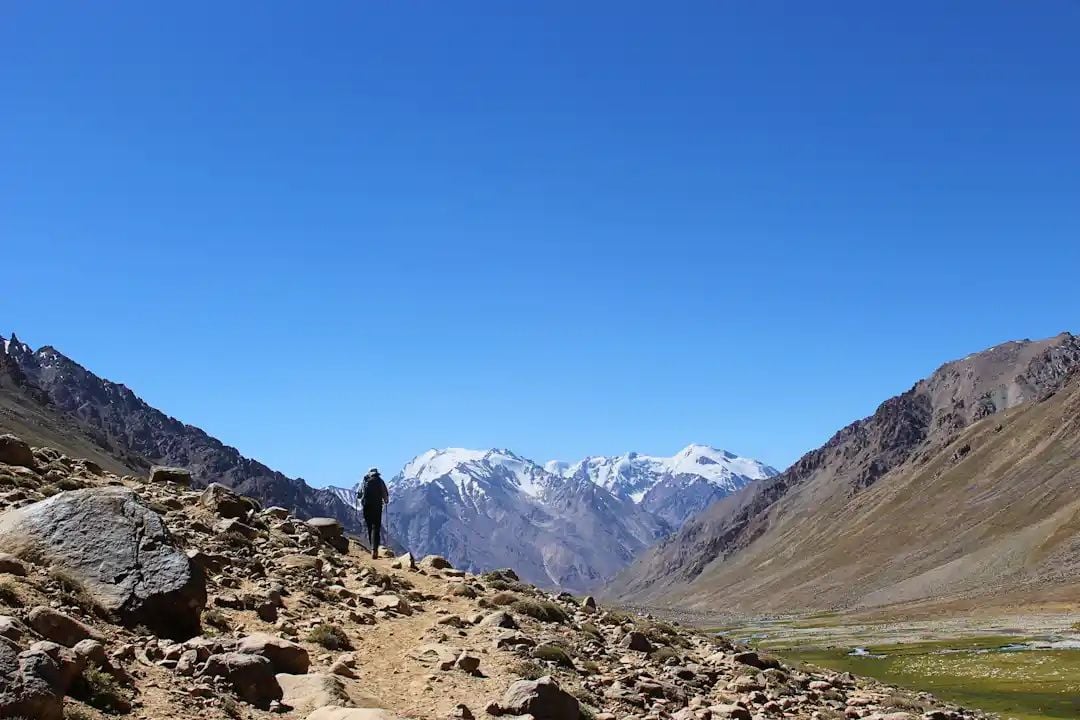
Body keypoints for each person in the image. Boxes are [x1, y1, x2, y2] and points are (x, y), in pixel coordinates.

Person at [358, 467, 389, 559]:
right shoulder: (380, 481)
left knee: (369, 527)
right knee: (376, 527)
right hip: (377, 507)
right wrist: (385, 500)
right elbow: (385, 496)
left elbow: (359, 494)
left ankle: (371, 547)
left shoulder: (365, 481)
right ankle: (374, 549)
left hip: (366, 507)